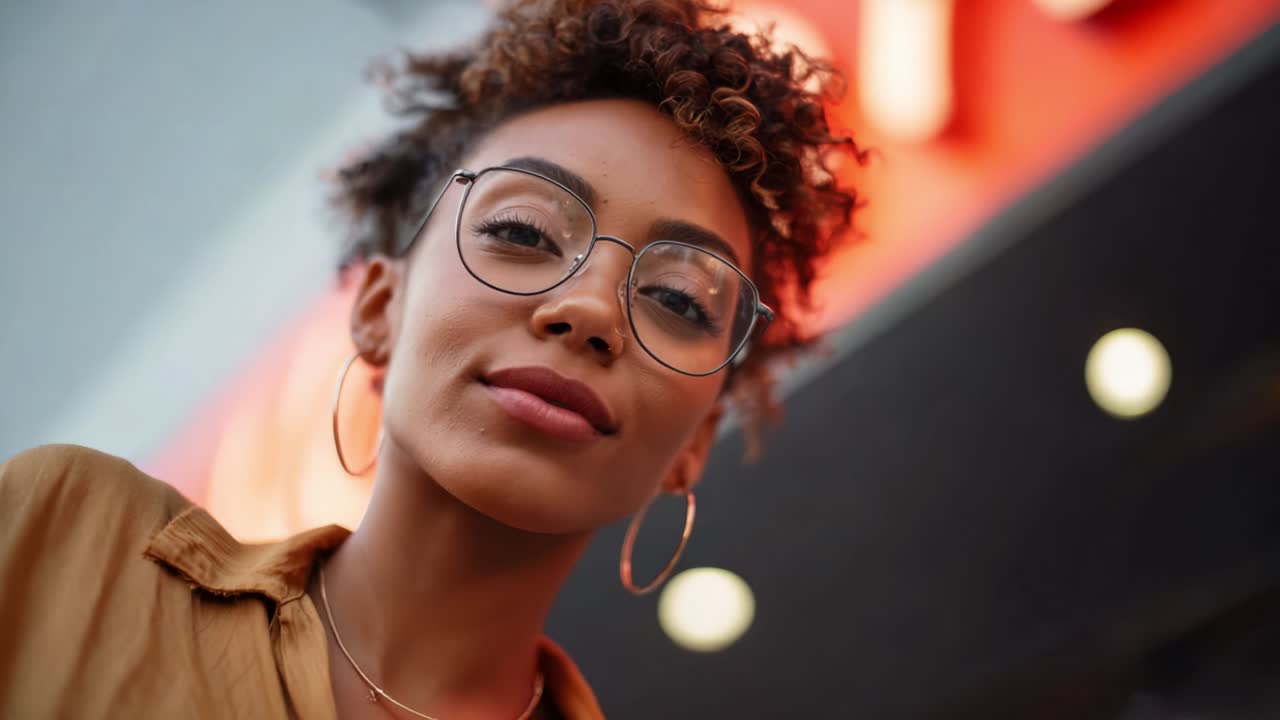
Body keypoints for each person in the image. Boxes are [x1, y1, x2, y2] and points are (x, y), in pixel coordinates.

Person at [0, 0, 860, 716]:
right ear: (381, 309)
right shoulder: (68, 547)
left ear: (696, 445)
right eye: (521, 231)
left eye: (678, 299)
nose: (593, 310)